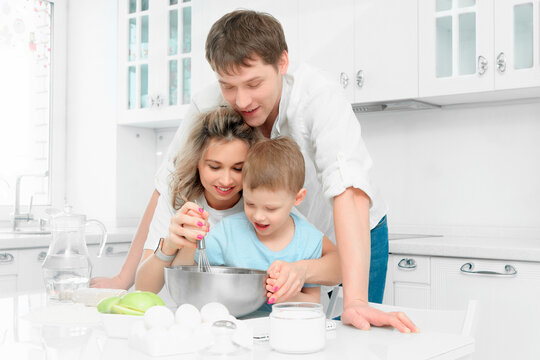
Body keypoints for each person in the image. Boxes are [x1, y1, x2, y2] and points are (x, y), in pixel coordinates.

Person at [93, 9, 416, 333]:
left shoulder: (318, 96)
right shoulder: (208, 104)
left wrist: (356, 300)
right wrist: (124, 278)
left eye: (254, 83)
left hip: (349, 231)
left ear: (282, 63)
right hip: (271, 236)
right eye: (228, 86)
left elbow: (349, 190)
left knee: (355, 334)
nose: (241, 100)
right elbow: (168, 186)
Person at [134, 107, 341, 296]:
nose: (225, 180)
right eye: (214, 167)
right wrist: (171, 246)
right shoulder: (179, 197)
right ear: (197, 162)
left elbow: (338, 266)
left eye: (238, 169)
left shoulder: (268, 202)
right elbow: (144, 288)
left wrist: (301, 271)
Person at [180, 137, 326, 310]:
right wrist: (189, 237)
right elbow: (190, 270)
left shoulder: (309, 240)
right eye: (249, 204)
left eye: (271, 208)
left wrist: (286, 294)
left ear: (298, 198)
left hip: (286, 328)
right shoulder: (228, 232)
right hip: (237, 327)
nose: (258, 216)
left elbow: (314, 301)